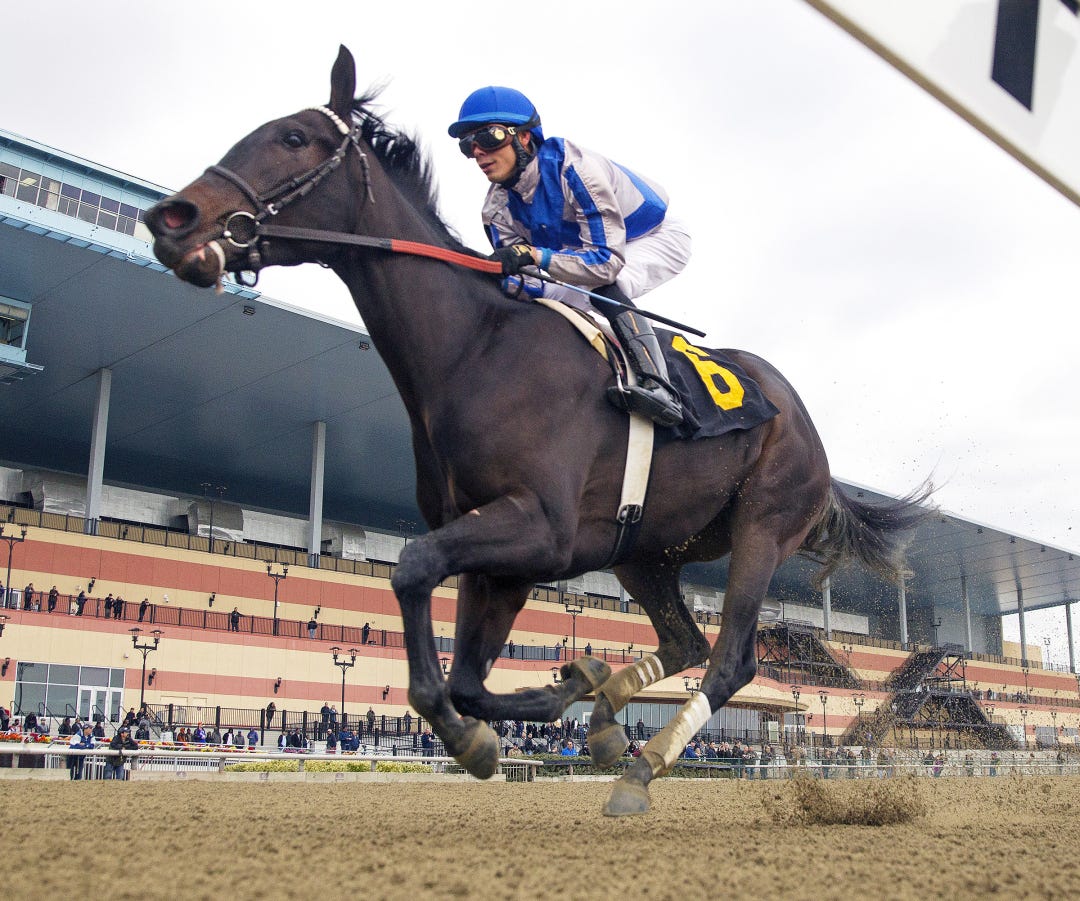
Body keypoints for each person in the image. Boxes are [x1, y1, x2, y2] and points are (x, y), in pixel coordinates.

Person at [449, 87, 692, 427]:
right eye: (468, 145)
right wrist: (492, 276)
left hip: (652, 238)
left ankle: (661, 389)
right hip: (583, 256)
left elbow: (605, 263)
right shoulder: (496, 209)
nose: (478, 152)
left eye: (489, 137)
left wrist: (532, 255)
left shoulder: (575, 170)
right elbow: (529, 285)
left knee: (603, 287)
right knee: (533, 301)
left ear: (524, 137)